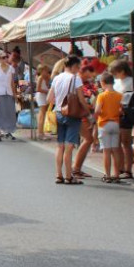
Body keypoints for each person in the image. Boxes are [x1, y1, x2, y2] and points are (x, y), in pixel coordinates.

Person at [46, 56, 84, 185]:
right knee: (69, 146)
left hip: (58, 112)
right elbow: (81, 99)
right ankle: (69, 176)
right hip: (72, 114)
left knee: (60, 145)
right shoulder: (76, 78)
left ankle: (59, 175)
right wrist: (87, 111)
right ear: (74, 66)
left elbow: (49, 98)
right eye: (78, 67)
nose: (78, 69)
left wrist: (59, 103)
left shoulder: (57, 78)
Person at [71, 61, 100, 178]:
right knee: (88, 139)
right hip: (81, 114)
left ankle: (78, 168)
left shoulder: (88, 83)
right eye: (89, 72)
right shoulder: (77, 82)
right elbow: (80, 99)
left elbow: (95, 94)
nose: (91, 75)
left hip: (88, 113)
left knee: (87, 140)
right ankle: (75, 168)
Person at [109, 59, 134, 180]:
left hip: (125, 113)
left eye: (116, 72)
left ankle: (128, 169)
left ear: (122, 71)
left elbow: (130, 98)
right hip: (114, 113)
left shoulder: (131, 81)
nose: (115, 75)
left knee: (126, 142)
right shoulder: (116, 81)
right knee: (117, 142)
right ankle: (119, 167)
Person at [95, 73, 124, 183]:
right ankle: (117, 175)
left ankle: (107, 175)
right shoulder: (119, 95)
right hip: (115, 123)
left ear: (103, 83)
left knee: (106, 151)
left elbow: (97, 110)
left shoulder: (101, 96)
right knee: (115, 150)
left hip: (104, 124)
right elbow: (121, 110)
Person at [0, 52, 17, 141]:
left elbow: (12, 82)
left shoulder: (11, 68)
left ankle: (9, 131)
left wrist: (14, 94)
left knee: (9, 113)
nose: (4, 59)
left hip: (8, 92)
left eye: (6, 57)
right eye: (2, 57)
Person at [34, 65, 52, 141]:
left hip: (44, 96)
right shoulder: (40, 77)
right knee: (42, 114)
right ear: (41, 71)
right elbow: (38, 89)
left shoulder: (46, 77)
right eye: (45, 70)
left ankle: (41, 132)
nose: (46, 71)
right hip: (41, 96)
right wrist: (47, 91)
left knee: (43, 114)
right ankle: (40, 133)